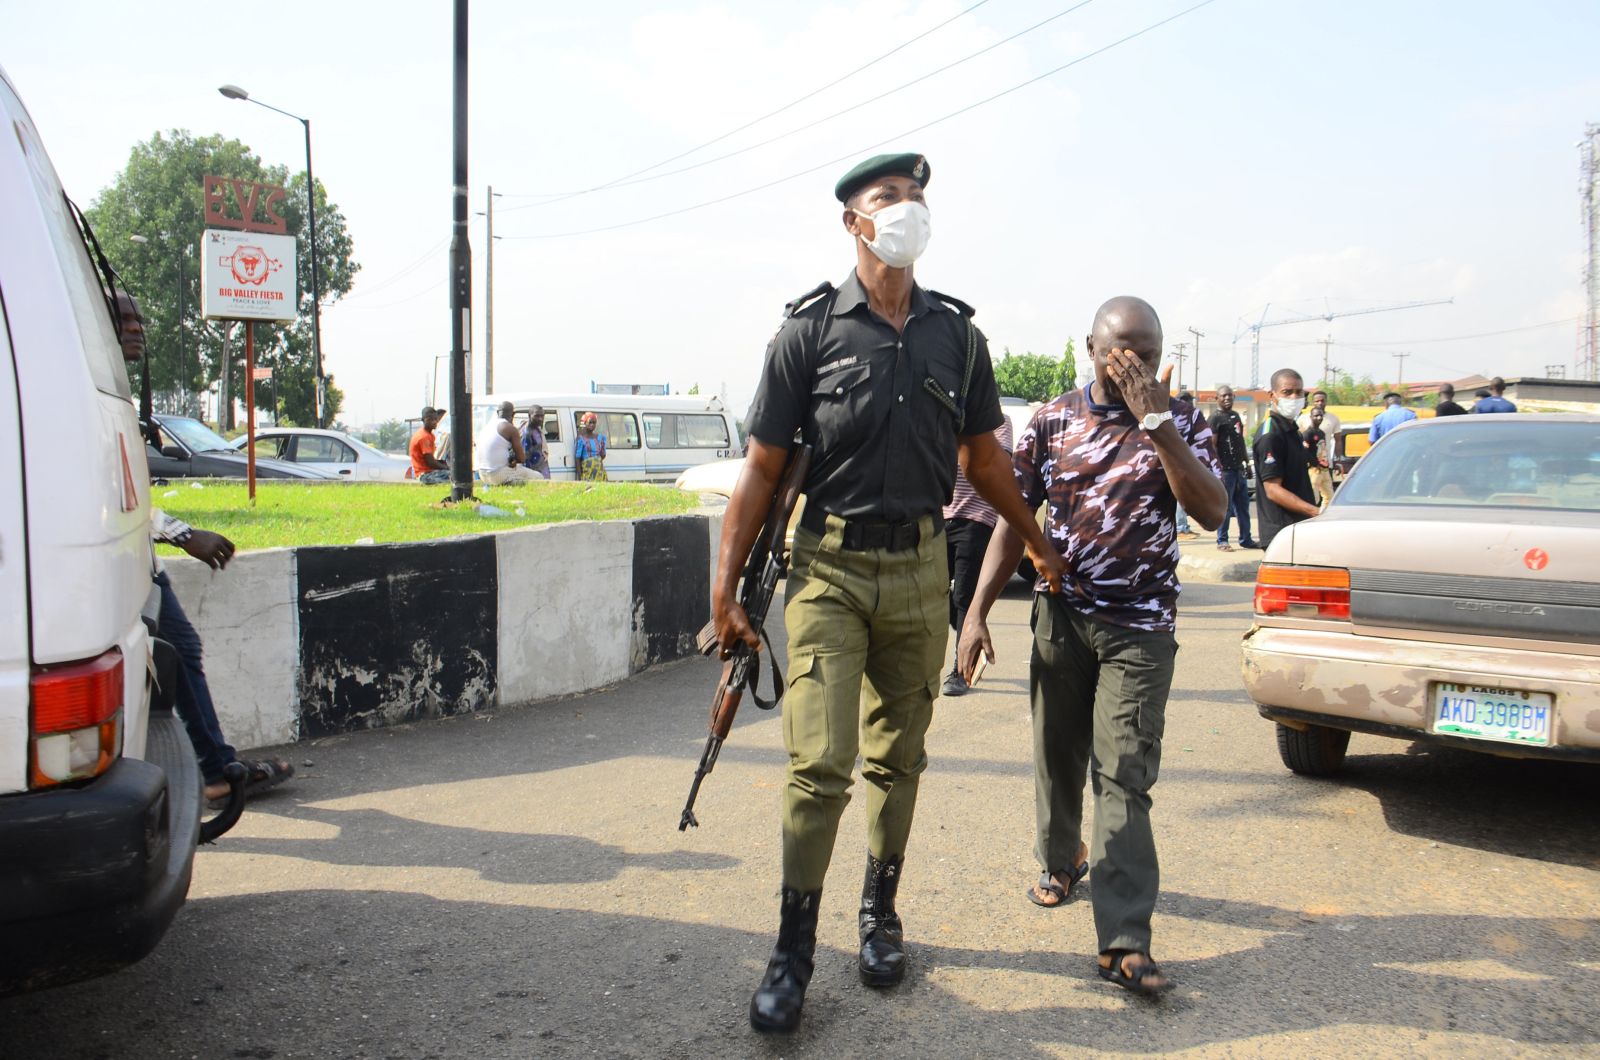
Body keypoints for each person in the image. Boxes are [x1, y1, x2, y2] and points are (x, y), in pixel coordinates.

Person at [714, 152, 1066, 1034]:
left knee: (898, 758)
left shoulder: (957, 335)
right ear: (854, 222)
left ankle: (879, 917)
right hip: (827, 568)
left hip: (917, 570)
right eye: (888, 198)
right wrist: (725, 594)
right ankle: (793, 950)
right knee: (818, 764)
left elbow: (984, 460)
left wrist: (1033, 537)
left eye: (916, 198)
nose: (907, 210)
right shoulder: (807, 333)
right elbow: (759, 474)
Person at [958, 296, 1227, 997]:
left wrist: (1158, 423)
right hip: (1062, 619)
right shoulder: (1052, 420)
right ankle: (1062, 858)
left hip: (1141, 628)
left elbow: (1211, 509)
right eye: (1118, 349)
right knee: (1056, 757)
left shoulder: (1183, 419)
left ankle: (1124, 941)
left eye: (1144, 349)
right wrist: (977, 613)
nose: (1131, 362)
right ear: (1090, 346)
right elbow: (1012, 520)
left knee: (1124, 775)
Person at [114, 290, 293, 804]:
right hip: (117, 560)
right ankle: (211, 769)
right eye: (122, 319)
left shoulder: (112, 391)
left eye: (138, 318)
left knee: (179, 652)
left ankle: (213, 768)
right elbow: (110, 489)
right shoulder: (84, 390)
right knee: (169, 657)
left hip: (134, 560)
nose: (136, 329)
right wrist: (183, 534)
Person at [940, 417, 1013, 697]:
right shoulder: (949, 417)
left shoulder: (998, 423)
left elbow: (992, 462)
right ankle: (970, 629)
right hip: (941, 515)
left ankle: (960, 672)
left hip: (977, 519)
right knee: (932, 590)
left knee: (963, 595)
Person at [1253, 368, 1320, 549]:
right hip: (1282, 533)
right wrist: (1315, 511)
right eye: (1287, 392)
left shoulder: (1292, 431)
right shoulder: (1271, 435)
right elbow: (1273, 489)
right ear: (1272, 395)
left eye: (1298, 392)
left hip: (1297, 529)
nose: (1293, 398)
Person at [1206, 385, 1257, 551]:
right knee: (1226, 507)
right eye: (1223, 396)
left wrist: (1246, 464)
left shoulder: (1235, 416)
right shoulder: (1215, 418)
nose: (1227, 399)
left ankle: (1246, 539)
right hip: (1225, 470)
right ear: (1217, 399)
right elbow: (1212, 445)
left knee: (1243, 506)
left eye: (1230, 396)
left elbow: (1240, 441)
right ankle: (1222, 540)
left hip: (1238, 468)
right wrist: (1217, 468)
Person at [475, 400, 539, 484]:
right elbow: (521, 458)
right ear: (512, 414)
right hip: (497, 474)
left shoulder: (486, 427)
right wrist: (514, 460)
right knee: (538, 476)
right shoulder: (510, 428)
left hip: (482, 474)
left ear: (497, 413)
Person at [409, 407, 451, 485]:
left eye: (436, 419)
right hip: (424, 475)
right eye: (432, 420)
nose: (435, 422)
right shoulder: (423, 437)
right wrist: (447, 468)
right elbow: (431, 462)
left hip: (428, 472)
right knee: (455, 477)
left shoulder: (430, 435)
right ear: (425, 420)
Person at [1303, 407, 1333, 510]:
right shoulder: (1308, 433)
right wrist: (1315, 463)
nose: (1319, 417)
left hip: (1324, 468)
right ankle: (1310, 518)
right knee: (1313, 498)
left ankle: (1322, 516)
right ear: (1311, 417)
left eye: (1321, 415)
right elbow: (1304, 451)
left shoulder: (1321, 433)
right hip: (1314, 469)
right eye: (1316, 415)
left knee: (1329, 497)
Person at [574, 412, 608, 481]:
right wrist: (580, 476)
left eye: (594, 423)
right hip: (587, 471)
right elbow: (577, 459)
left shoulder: (600, 438)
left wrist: (595, 461)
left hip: (599, 471)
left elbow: (603, 455)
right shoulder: (581, 439)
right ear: (585, 422)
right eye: (590, 422)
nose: (592, 425)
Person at [520, 404, 551, 478]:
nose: (540, 419)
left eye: (542, 416)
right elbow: (524, 457)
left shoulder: (537, 429)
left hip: (542, 469)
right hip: (534, 473)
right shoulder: (527, 433)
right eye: (537, 416)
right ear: (529, 415)